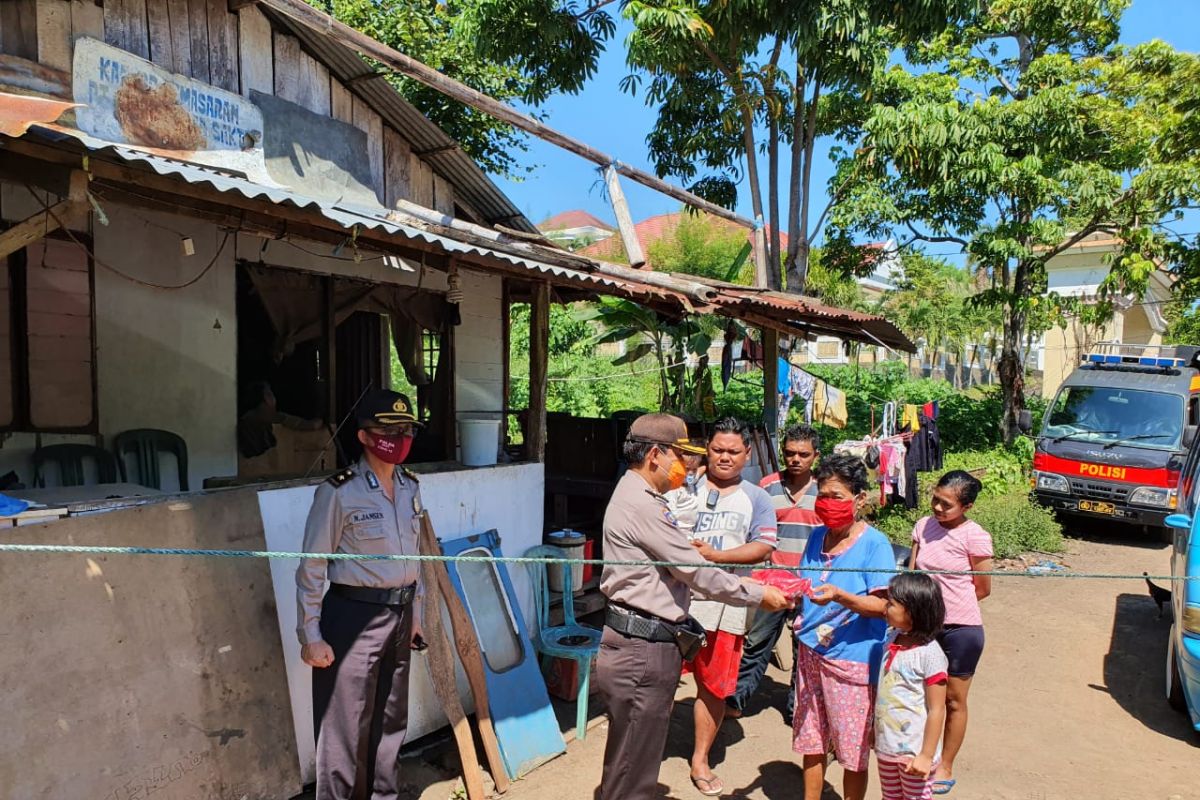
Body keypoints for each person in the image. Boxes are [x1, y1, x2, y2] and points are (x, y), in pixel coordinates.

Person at [596, 413, 793, 800]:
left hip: (646, 637)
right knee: (634, 762)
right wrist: (759, 594)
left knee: (630, 755)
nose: (686, 464)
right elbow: (695, 571)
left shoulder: (639, 494)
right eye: (679, 454)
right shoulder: (644, 504)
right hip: (642, 646)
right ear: (655, 454)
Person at [295, 389, 425, 800]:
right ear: (365, 436)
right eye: (389, 430)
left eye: (405, 429)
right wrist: (310, 635)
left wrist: (416, 614)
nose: (399, 437)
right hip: (352, 615)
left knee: (390, 721)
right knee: (344, 728)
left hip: (401, 615)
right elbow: (312, 566)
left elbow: (415, 558)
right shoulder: (338, 493)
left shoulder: (409, 487)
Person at [666, 418, 778, 796]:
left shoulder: (757, 497)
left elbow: (763, 546)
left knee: (713, 687)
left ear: (747, 454)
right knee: (662, 677)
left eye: (733, 451)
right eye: (717, 450)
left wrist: (717, 555)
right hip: (675, 598)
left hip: (726, 602)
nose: (724, 457)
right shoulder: (682, 484)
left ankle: (700, 758)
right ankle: (648, 752)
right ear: (706, 449)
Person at [793, 454, 895, 800]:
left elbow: (885, 607)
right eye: (822, 495)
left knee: (853, 752)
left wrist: (841, 596)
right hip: (810, 653)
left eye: (836, 496)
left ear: (859, 499)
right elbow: (805, 585)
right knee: (812, 738)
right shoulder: (815, 537)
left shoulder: (875, 545)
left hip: (852, 660)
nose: (827, 504)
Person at [728, 424, 822, 721]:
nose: (795, 459)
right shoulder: (766, 487)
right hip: (772, 581)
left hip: (811, 584)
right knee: (756, 643)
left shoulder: (826, 489)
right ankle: (736, 701)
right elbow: (754, 533)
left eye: (803, 454)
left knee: (804, 648)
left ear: (815, 456)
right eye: (790, 453)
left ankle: (798, 708)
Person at [907, 470, 993, 796]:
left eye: (947, 505)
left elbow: (982, 589)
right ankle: (918, 751)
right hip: (923, 627)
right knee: (920, 695)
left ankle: (945, 764)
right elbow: (913, 576)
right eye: (936, 500)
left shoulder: (976, 537)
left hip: (961, 630)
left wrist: (949, 609)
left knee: (954, 701)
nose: (938, 509)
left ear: (966, 507)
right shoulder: (923, 527)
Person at [876, 572, 949, 800]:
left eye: (892, 603)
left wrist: (926, 755)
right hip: (887, 746)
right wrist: (873, 729)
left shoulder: (930, 654)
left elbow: (937, 709)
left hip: (914, 751)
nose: (885, 608)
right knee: (890, 796)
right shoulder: (891, 638)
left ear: (912, 611)